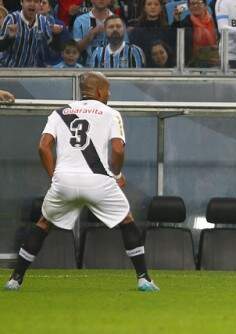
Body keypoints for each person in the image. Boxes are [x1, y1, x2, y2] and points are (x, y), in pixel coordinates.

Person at [4, 71, 159, 292]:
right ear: (98, 91)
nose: (109, 94)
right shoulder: (111, 113)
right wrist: (116, 173)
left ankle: (15, 279)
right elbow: (117, 148)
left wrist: (54, 176)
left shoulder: (59, 113)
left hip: (64, 181)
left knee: (43, 223)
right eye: (107, 90)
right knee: (126, 220)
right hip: (98, 182)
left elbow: (43, 146)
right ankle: (143, 279)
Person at [0, 0, 63, 67]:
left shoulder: (44, 22)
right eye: (28, 0)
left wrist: (56, 35)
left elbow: (55, 49)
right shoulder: (12, 19)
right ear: (21, 2)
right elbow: (1, 48)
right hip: (7, 69)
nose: (32, 4)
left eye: (36, 1)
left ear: (39, 4)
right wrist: (9, 38)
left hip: (29, 71)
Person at [172, 0, 219, 68]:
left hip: (215, 62)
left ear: (205, 5)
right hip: (193, 63)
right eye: (192, 3)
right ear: (188, 7)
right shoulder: (185, 23)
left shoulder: (215, 21)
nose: (195, 6)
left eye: (199, 3)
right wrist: (176, 21)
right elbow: (174, 38)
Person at [130, 0, 176, 67]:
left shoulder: (168, 30)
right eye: (149, 4)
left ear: (161, 8)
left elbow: (172, 54)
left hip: (166, 70)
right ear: (144, 8)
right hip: (145, 70)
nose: (153, 7)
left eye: (156, 4)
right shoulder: (136, 31)